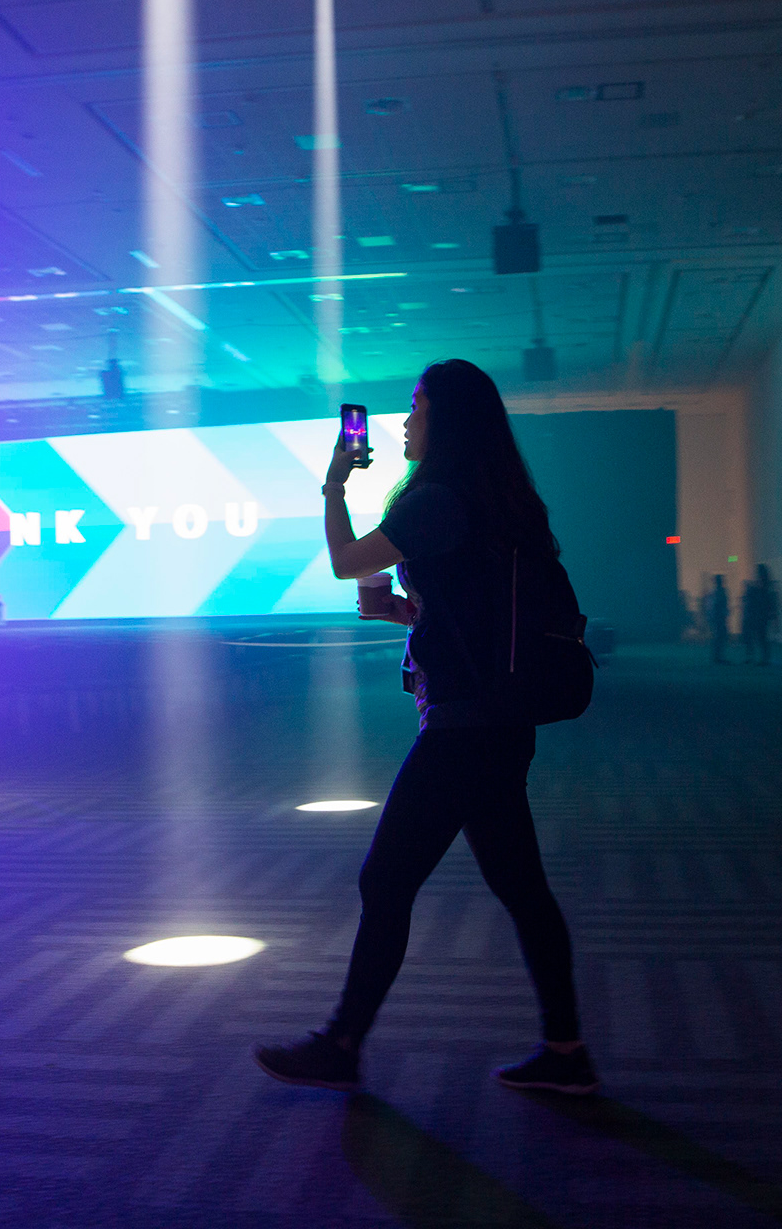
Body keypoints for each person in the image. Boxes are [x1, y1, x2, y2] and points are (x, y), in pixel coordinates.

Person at [253, 359, 594, 1095]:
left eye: (418, 406)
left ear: (449, 420)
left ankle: (342, 1043)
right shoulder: (495, 497)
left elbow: (348, 563)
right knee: (522, 889)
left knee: (387, 880)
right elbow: (465, 603)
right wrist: (411, 612)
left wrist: (335, 482)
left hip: (465, 731)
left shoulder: (438, 498)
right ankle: (567, 1054)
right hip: (498, 720)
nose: (406, 421)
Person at [741, 564, 776, 664]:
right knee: (760, 637)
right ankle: (762, 658)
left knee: (760, 637)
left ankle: (760, 658)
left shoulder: (763, 587)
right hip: (760, 615)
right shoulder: (765, 586)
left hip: (758, 615)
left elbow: (765, 601)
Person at [704, 574, 731, 664]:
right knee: (719, 637)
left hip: (718, 618)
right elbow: (716, 606)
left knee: (718, 637)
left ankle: (717, 656)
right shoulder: (720, 592)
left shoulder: (716, 592)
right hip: (719, 618)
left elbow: (710, 606)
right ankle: (718, 657)